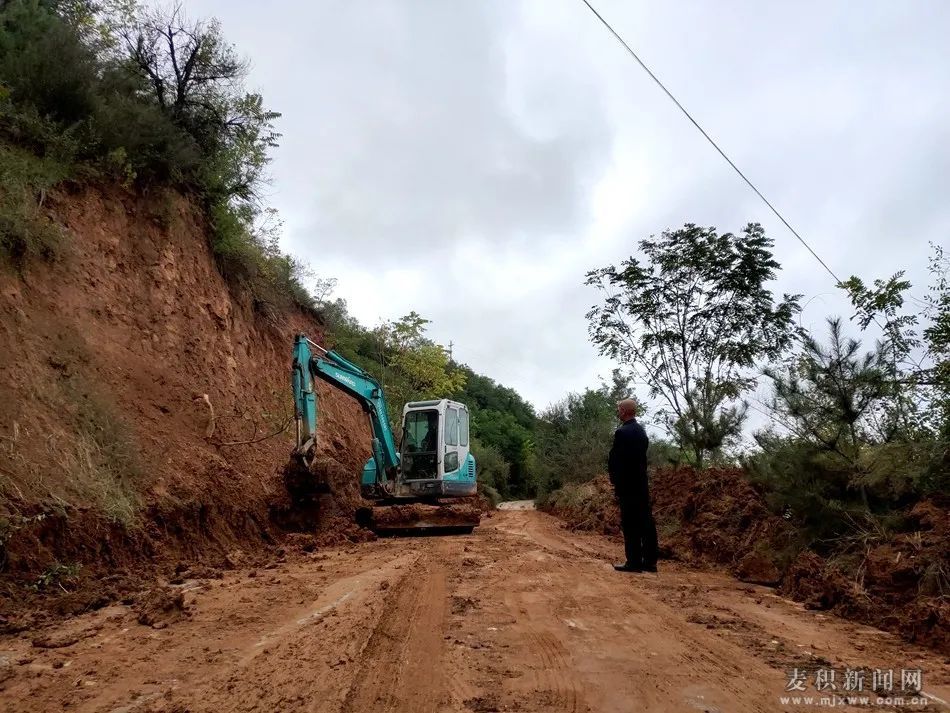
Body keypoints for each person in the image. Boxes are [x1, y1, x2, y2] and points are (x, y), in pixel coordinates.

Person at [607, 398, 658, 573]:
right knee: (646, 522)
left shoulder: (621, 433)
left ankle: (634, 562)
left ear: (624, 411)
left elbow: (616, 460)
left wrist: (615, 481)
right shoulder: (642, 432)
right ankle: (650, 562)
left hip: (627, 486)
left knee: (630, 523)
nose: (618, 412)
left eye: (619, 409)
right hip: (642, 485)